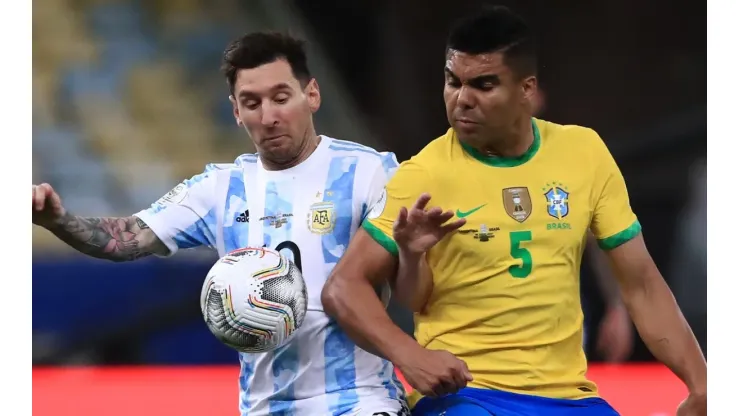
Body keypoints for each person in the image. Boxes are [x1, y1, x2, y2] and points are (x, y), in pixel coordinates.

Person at [321, 6, 706, 416]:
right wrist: (410, 355)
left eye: (484, 85)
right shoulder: (423, 174)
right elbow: (343, 287)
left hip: (570, 398)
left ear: (527, 89)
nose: (462, 100)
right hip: (470, 396)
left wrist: (701, 385)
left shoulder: (584, 153)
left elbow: (641, 284)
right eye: (453, 82)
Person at [32, 32, 408, 416]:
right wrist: (58, 221)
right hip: (265, 406)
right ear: (235, 111)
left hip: (359, 398)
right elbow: (125, 240)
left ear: (311, 94)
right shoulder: (221, 187)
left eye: (281, 98)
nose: (269, 116)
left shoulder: (370, 171)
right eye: (252, 103)